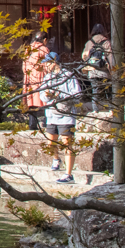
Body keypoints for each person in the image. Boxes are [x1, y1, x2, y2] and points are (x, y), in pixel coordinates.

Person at [41, 52, 82, 183]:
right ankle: (56, 158)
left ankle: (68, 174)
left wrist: (61, 96)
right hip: (52, 114)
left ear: (54, 62)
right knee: (50, 142)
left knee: (67, 144)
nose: (45, 66)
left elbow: (77, 95)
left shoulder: (68, 76)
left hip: (66, 114)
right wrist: (49, 96)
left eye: (47, 63)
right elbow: (42, 95)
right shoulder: (47, 77)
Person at [81, 24, 114, 128]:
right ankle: (111, 109)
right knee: (108, 90)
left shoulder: (89, 43)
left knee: (95, 90)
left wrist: (88, 65)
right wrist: (112, 69)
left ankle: (95, 110)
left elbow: (84, 56)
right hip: (104, 70)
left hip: (93, 70)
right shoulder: (106, 42)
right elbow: (111, 57)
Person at [22, 32, 50, 131]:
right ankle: (47, 123)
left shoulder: (28, 49)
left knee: (32, 102)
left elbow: (24, 65)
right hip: (40, 77)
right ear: (45, 40)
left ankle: (32, 124)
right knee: (45, 100)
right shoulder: (43, 49)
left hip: (29, 78)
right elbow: (48, 65)